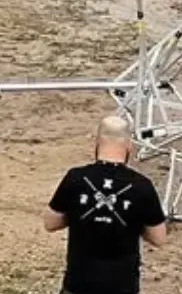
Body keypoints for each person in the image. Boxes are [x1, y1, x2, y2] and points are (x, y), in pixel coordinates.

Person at [43, 115, 168, 294]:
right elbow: (159, 237)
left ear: (97, 142)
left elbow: (50, 222)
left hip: (78, 286)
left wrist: (78, 214)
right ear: (129, 145)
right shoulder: (142, 186)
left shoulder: (76, 178)